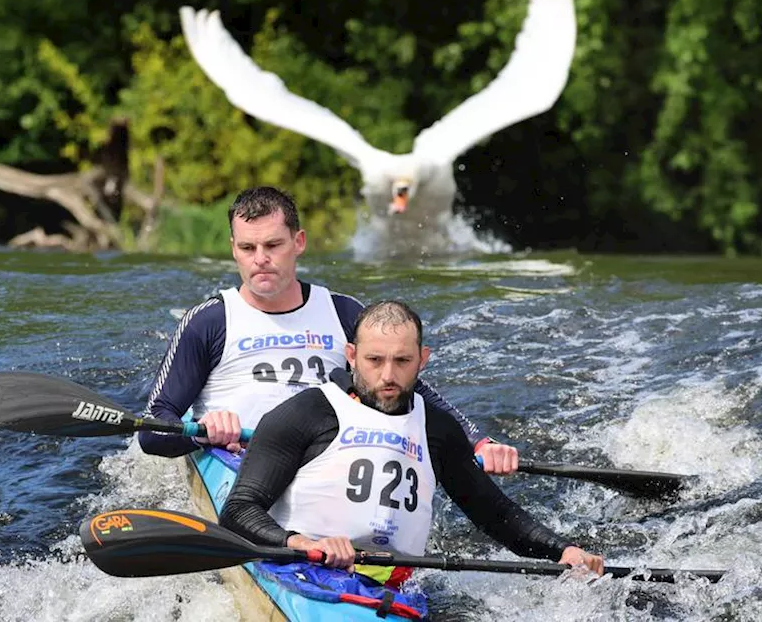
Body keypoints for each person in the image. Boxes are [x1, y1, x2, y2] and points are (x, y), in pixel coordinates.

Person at [219, 300, 604, 586]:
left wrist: (563, 551)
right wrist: (299, 543)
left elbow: (496, 515)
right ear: (351, 356)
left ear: (423, 359)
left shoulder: (437, 429)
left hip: (397, 586)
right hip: (305, 572)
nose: (388, 375)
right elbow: (238, 511)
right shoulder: (304, 414)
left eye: (402, 361)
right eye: (375, 360)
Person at [137, 187, 518, 473]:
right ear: (233, 248)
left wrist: (479, 441)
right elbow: (153, 429)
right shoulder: (209, 322)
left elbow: (409, 388)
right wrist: (201, 431)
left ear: (298, 243)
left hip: (334, 467)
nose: (261, 260)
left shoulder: (344, 313)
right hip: (242, 466)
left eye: (273, 245)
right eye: (248, 248)